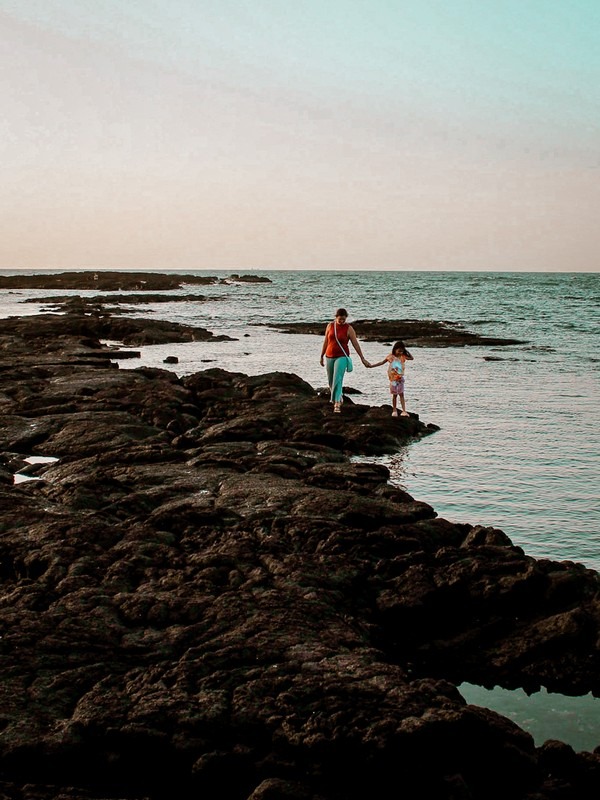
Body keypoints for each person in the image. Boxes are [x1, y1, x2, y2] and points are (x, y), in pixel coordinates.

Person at [320, 308, 371, 413]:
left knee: (337, 379)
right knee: (331, 381)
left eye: (344, 319)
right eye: (340, 319)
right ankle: (339, 397)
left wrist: (362, 358)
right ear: (336, 317)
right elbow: (326, 341)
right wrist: (321, 356)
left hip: (342, 356)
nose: (342, 321)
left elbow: (355, 343)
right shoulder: (330, 326)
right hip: (329, 356)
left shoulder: (349, 328)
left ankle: (337, 403)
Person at [369, 340, 413, 417]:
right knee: (394, 395)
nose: (400, 353)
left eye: (402, 351)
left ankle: (404, 411)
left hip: (400, 379)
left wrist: (405, 351)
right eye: (399, 351)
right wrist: (371, 366)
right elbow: (382, 362)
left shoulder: (403, 356)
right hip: (393, 379)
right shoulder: (391, 357)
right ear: (395, 349)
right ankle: (394, 410)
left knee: (401, 394)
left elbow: (412, 358)